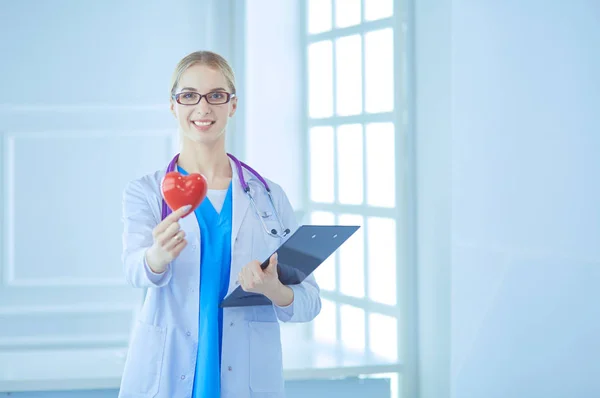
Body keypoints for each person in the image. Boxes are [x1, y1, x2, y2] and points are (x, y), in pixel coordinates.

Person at [118, 50, 322, 398]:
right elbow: (134, 271)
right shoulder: (147, 192)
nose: (203, 108)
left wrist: (273, 288)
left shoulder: (269, 197)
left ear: (233, 105)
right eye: (189, 96)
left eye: (216, 95)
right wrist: (156, 257)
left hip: (245, 375)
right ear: (173, 106)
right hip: (167, 371)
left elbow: (309, 302)